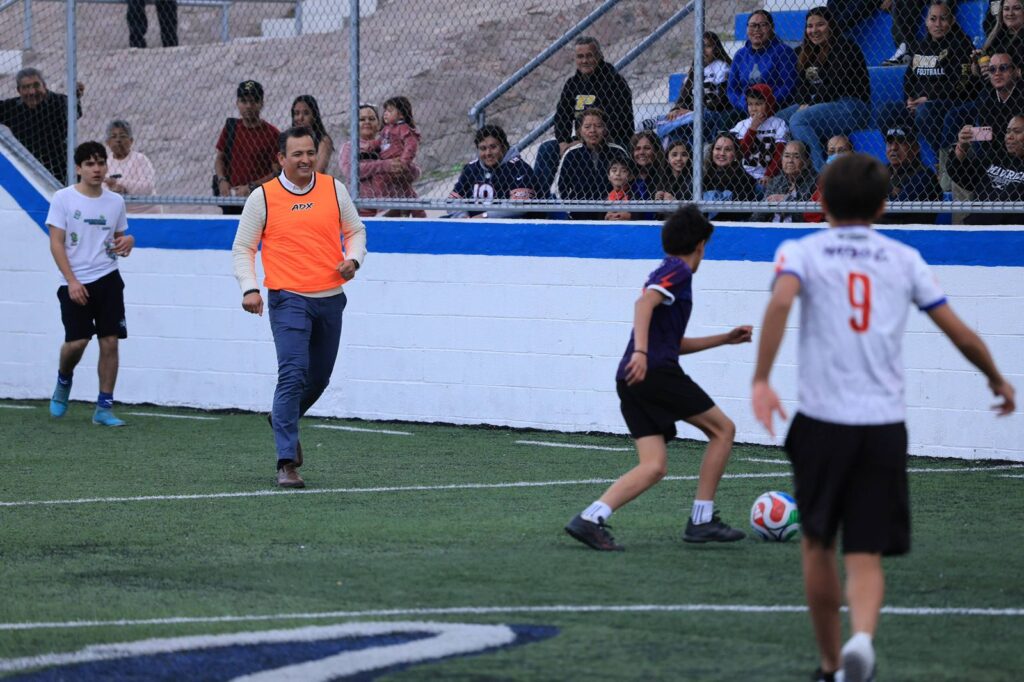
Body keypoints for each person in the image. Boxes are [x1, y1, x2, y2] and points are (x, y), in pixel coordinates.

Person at [751, 152, 1015, 682]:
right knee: (865, 550)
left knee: (817, 544)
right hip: (883, 426)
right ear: (883, 206)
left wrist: (761, 379)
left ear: (821, 201)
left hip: (822, 421)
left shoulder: (801, 251)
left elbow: (780, 305)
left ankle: (831, 664)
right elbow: (959, 332)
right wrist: (995, 377)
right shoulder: (904, 259)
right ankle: (863, 641)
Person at [564, 205, 752, 551]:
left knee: (654, 466)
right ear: (700, 245)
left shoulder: (666, 270)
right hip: (653, 371)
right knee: (723, 430)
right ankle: (701, 519)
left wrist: (725, 339)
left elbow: (672, 343)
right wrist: (640, 352)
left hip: (630, 377)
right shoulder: (679, 270)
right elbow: (643, 305)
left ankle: (590, 518)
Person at [231, 127, 368, 489]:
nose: (306, 160)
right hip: (288, 298)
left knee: (319, 379)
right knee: (293, 373)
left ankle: (281, 416)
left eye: (310, 152)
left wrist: (353, 260)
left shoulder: (334, 189)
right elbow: (243, 248)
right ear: (281, 158)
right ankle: (286, 462)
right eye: (297, 154)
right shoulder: (262, 197)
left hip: (331, 298)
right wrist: (250, 288)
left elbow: (356, 231)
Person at [45, 141, 135, 427]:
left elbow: (120, 238)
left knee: (110, 341)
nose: (96, 169)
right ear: (78, 168)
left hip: (108, 279)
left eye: (101, 163)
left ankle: (104, 408)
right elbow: (56, 243)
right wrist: (72, 281)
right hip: (74, 282)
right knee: (77, 342)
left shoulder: (115, 201)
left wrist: (128, 241)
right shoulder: (63, 198)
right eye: (90, 164)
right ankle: (64, 379)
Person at [534, 37, 634, 196]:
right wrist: (563, 141)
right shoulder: (572, 84)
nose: (585, 61)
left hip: (611, 139)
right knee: (547, 149)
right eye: (580, 57)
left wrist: (587, 139)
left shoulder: (615, 82)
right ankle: (539, 201)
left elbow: (620, 121)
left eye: (589, 55)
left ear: (599, 56)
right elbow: (562, 116)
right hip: (582, 138)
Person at [779, 6, 872, 172]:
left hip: (851, 106)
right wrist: (804, 102)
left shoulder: (845, 47)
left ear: (831, 26)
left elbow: (836, 85)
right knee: (779, 120)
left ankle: (821, 171)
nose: (814, 30)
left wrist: (811, 104)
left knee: (799, 120)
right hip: (820, 105)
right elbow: (801, 86)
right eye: (810, 26)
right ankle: (789, 172)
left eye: (820, 24)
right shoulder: (805, 51)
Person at [878, 2, 975, 158]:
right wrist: (910, 99)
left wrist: (928, 98)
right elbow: (909, 78)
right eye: (933, 19)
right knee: (886, 111)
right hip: (919, 104)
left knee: (925, 111)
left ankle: (942, 158)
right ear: (926, 22)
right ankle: (904, 154)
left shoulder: (962, 44)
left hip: (948, 102)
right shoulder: (921, 46)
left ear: (952, 21)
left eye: (943, 19)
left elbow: (962, 83)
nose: (938, 24)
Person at [0, 68, 83, 182]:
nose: (32, 92)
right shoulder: (12, 108)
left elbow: (76, 111)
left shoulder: (59, 102)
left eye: (36, 85)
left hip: (61, 169)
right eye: (26, 87)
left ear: (44, 85)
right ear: (19, 90)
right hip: (28, 171)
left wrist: (76, 97)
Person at [655, 31, 735, 147]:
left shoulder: (723, 68)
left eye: (707, 46)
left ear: (716, 48)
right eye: (700, 47)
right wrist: (676, 110)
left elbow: (723, 100)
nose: (703, 51)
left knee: (702, 116)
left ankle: (660, 122)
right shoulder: (694, 72)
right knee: (674, 133)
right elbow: (683, 99)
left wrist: (694, 112)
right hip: (692, 117)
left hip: (713, 115)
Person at [214, 80, 280, 215]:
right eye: (244, 101)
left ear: (261, 103)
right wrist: (222, 180)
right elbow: (220, 158)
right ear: (237, 103)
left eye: (253, 101)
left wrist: (252, 187)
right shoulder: (231, 128)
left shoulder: (272, 134)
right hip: (232, 199)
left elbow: (277, 173)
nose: (249, 106)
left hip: (260, 200)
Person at [449, 124, 537, 218]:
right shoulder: (471, 168)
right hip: (470, 222)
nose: (488, 153)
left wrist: (484, 217)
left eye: (493, 147)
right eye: (483, 148)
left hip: (505, 224)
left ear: (504, 147)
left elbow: (519, 206)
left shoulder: (519, 168)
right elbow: (452, 200)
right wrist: (462, 217)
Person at [555, 108, 630, 219]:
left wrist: (619, 210)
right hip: (578, 215)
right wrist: (570, 211)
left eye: (598, 126)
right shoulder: (571, 154)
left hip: (613, 215)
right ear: (580, 131)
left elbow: (629, 183)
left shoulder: (618, 152)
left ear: (605, 129)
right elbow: (559, 188)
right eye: (587, 127)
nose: (593, 130)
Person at [948, 115, 1024, 222]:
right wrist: (962, 147)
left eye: (1017, 132)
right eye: (1008, 131)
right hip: (975, 225)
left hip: (1009, 229)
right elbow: (960, 175)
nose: (1009, 136)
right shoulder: (996, 157)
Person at [727, 11, 799, 115]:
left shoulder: (784, 52)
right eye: (753, 25)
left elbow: (788, 85)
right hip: (745, 109)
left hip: (775, 109)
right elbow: (732, 89)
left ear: (772, 27)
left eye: (763, 25)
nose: (757, 29)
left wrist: (765, 104)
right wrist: (746, 105)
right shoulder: (740, 55)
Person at [879, 126, 943, 223]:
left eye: (901, 142)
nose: (893, 148)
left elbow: (896, 209)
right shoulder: (882, 171)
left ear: (915, 148)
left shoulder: (924, 175)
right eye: (890, 143)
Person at [374, 95, 424, 217]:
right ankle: (410, 211)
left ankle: (415, 213)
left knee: (401, 188)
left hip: (399, 163)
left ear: (401, 115)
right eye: (385, 111)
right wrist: (370, 146)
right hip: (388, 164)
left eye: (390, 111)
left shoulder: (403, 128)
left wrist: (403, 162)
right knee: (404, 190)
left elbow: (411, 145)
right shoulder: (386, 129)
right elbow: (379, 143)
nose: (385, 114)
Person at [730, 84, 790, 184]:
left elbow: (780, 152)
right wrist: (752, 129)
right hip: (744, 175)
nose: (753, 108)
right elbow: (741, 153)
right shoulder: (741, 125)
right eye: (750, 104)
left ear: (769, 103)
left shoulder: (778, 123)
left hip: (769, 176)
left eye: (758, 104)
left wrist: (769, 174)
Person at [972, 52, 1024, 158]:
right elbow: (986, 136)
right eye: (992, 69)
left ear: (1016, 71)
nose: (997, 73)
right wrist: (968, 135)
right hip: (996, 157)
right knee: (969, 134)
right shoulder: (988, 100)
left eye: (1003, 68)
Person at [751, 140, 818, 222]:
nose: (790, 161)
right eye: (786, 156)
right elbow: (758, 215)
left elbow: (812, 215)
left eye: (796, 157)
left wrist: (787, 201)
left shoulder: (816, 181)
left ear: (807, 161)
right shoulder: (776, 181)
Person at [104, 119, 160, 214]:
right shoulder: (105, 163)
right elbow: (100, 187)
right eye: (113, 137)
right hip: (118, 213)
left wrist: (120, 184)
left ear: (131, 141)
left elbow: (147, 187)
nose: (118, 140)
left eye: (123, 136)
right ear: (108, 142)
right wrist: (112, 190)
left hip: (146, 212)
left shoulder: (141, 159)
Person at [701, 131, 758, 221]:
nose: (722, 153)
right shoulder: (704, 176)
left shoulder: (744, 179)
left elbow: (741, 213)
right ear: (712, 151)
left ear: (735, 154)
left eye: (727, 149)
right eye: (718, 148)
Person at [291, 95, 333, 174]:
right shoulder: (289, 140)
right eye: (296, 113)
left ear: (314, 116)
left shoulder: (323, 141)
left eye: (306, 113)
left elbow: (318, 171)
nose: (300, 118)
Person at [982, 0, 1024, 66]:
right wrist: (977, 66)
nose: (1010, 13)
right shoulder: (996, 38)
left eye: (1017, 8)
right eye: (1006, 9)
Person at [605, 157, 634, 221]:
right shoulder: (605, 197)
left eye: (623, 171)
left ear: (631, 177)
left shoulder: (634, 195)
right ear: (608, 176)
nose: (618, 174)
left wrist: (630, 216)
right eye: (614, 170)